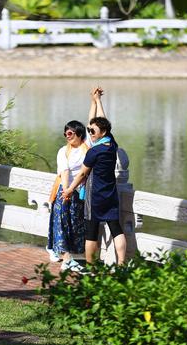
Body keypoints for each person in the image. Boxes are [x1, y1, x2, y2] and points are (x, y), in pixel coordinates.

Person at [61, 88, 127, 266]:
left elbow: (82, 173)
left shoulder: (94, 152)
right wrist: (97, 101)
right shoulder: (111, 144)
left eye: (92, 131)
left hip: (94, 195)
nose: (89, 132)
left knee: (91, 231)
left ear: (102, 132)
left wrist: (69, 189)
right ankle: (121, 264)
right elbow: (102, 121)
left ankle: (91, 267)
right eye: (89, 130)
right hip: (110, 193)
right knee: (116, 228)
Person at [46, 120, 89, 272]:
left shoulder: (86, 149)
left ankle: (63, 253)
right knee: (61, 223)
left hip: (78, 193)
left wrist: (95, 101)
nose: (67, 136)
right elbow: (64, 171)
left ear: (79, 133)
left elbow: (94, 124)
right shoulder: (63, 151)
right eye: (65, 133)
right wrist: (66, 191)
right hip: (64, 192)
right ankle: (66, 258)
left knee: (74, 223)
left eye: (70, 133)